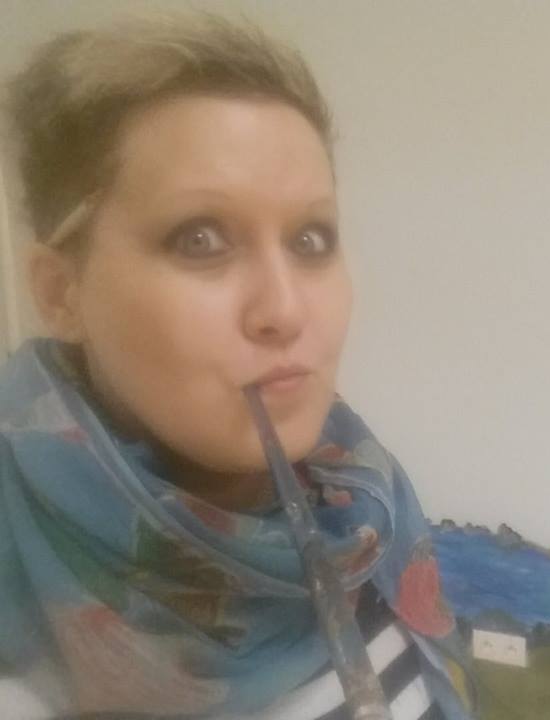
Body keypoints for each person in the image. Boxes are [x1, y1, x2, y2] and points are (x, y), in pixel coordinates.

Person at [0, 12, 472, 719]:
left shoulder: (368, 506)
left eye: (310, 239)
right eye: (200, 238)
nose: (285, 309)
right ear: (61, 293)